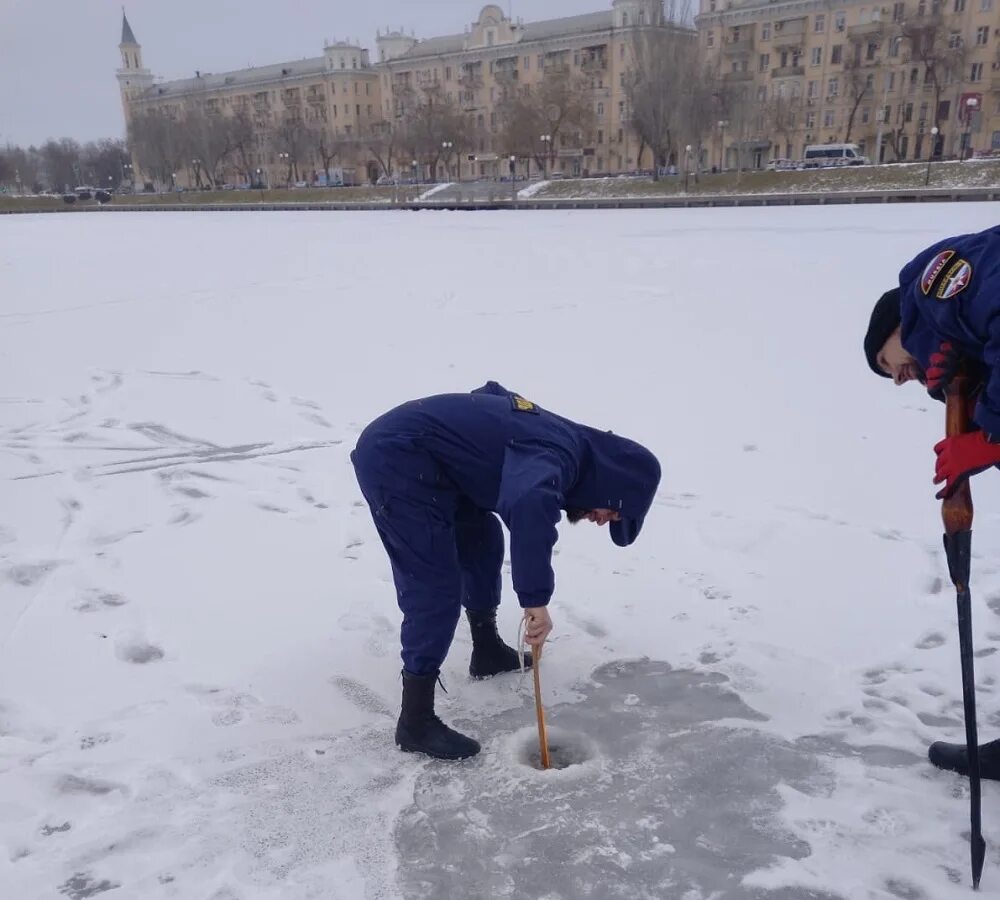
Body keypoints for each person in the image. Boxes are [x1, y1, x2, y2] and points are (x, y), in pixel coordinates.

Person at [350, 381, 661, 760]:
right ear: (615, 487)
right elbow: (531, 505)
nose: (601, 521)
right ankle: (415, 721)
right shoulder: (555, 459)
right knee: (433, 587)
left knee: (483, 542)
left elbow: (495, 393)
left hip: (440, 465)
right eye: (612, 514)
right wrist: (535, 601)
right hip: (398, 458)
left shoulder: (571, 445)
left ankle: (487, 650)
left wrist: (470, 438)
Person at [864, 223, 1000, 779]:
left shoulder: (930, 284)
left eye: (884, 360)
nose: (897, 377)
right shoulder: (953, 324)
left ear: (895, 328)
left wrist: (990, 430)